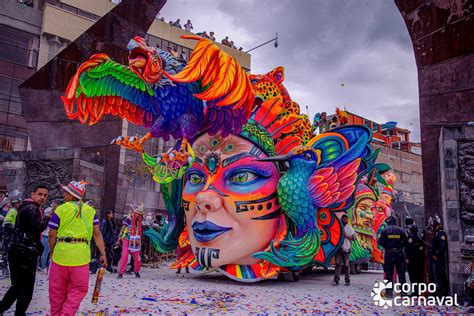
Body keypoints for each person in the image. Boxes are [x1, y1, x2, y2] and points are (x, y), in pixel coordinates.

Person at [48, 181, 107, 316]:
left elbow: (52, 234)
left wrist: (52, 251)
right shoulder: (91, 211)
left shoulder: (60, 209)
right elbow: (97, 234)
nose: (64, 194)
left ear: (72, 195)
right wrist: (103, 253)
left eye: (66, 192)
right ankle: (67, 313)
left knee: (57, 290)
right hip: (81, 255)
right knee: (79, 289)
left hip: (61, 253)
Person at [0, 185, 50, 316]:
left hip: (18, 249)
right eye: (40, 194)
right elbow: (37, 228)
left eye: (45, 195)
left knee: (18, 286)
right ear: (33, 194)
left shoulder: (26, 207)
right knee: (25, 288)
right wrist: (47, 218)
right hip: (25, 252)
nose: (42, 197)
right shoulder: (32, 208)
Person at [378, 216, 408, 296]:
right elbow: (406, 242)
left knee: (389, 274)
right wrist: (400, 247)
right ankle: (403, 291)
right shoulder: (401, 230)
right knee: (401, 273)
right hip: (399, 254)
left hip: (389, 254)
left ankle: (389, 292)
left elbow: (380, 242)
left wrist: (387, 247)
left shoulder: (385, 231)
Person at [116, 205, 144, 279]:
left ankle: (136, 271)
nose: (138, 215)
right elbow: (123, 228)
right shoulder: (129, 219)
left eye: (140, 214)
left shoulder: (140, 220)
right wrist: (119, 238)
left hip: (136, 240)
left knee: (137, 257)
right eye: (137, 213)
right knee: (124, 255)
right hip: (127, 239)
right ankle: (121, 273)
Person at [333, 214, 356, 286]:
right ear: (341, 219)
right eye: (343, 219)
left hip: (347, 249)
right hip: (338, 249)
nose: (344, 220)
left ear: (347, 220)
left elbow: (354, 238)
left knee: (346, 265)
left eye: (346, 219)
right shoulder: (337, 227)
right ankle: (336, 280)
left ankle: (347, 280)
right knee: (337, 264)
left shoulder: (349, 228)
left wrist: (347, 236)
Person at [428, 216, 448, 297]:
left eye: (432, 226)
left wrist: (436, 255)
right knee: (437, 278)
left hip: (438, 260)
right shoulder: (436, 234)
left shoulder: (440, 233)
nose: (431, 229)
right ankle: (438, 294)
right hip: (435, 260)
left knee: (439, 278)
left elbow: (442, 247)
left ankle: (442, 295)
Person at [1, 198, 21, 277]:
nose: (19, 204)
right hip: (8, 236)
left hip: (12, 236)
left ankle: (10, 271)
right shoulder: (13, 211)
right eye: (17, 203)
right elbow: (7, 222)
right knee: (5, 254)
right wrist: (15, 229)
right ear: (15, 204)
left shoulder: (17, 211)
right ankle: (5, 271)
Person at [404, 217, 425, 294]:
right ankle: (418, 291)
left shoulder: (411, 238)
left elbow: (408, 249)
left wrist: (407, 258)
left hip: (412, 260)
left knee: (413, 276)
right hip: (418, 260)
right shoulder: (419, 238)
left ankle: (415, 292)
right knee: (418, 276)